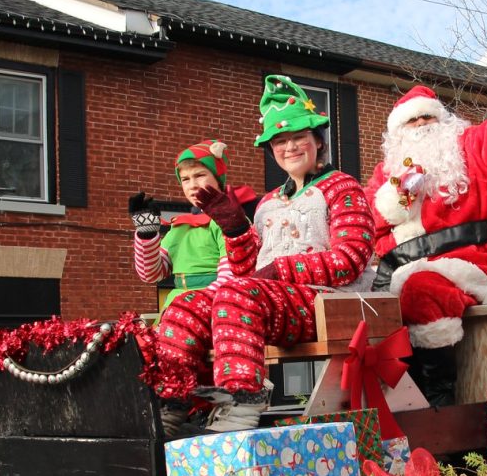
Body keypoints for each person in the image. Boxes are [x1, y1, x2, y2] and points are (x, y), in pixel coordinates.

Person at [147, 75, 376, 436]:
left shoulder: (343, 187)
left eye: (298, 137)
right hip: (270, 300)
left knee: (238, 293)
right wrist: (236, 228)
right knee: (185, 305)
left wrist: (279, 270)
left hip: (327, 303)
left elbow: (351, 258)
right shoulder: (268, 203)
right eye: (280, 141)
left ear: (318, 140)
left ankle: (242, 399)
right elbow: (246, 270)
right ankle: (174, 402)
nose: (290, 147)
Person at [365, 45, 487, 405]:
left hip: (467, 264)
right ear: (398, 135)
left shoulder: (468, 147)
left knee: (420, 290)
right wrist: (397, 198)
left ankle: (438, 399)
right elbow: (366, 226)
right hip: (398, 270)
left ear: (443, 122)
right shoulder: (386, 174)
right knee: (364, 307)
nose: (421, 127)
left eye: (428, 119)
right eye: (412, 122)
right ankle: (390, 401)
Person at [130, 140, 257, 312]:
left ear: (218, 179)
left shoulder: (232, 222)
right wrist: (147, 234)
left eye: (199, 175)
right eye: (185, 179)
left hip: (216, 308)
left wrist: (193, 305)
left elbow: (231, 276)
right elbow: (151, 274)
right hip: (176, 307)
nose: (192, 185)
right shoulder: (179, 227)